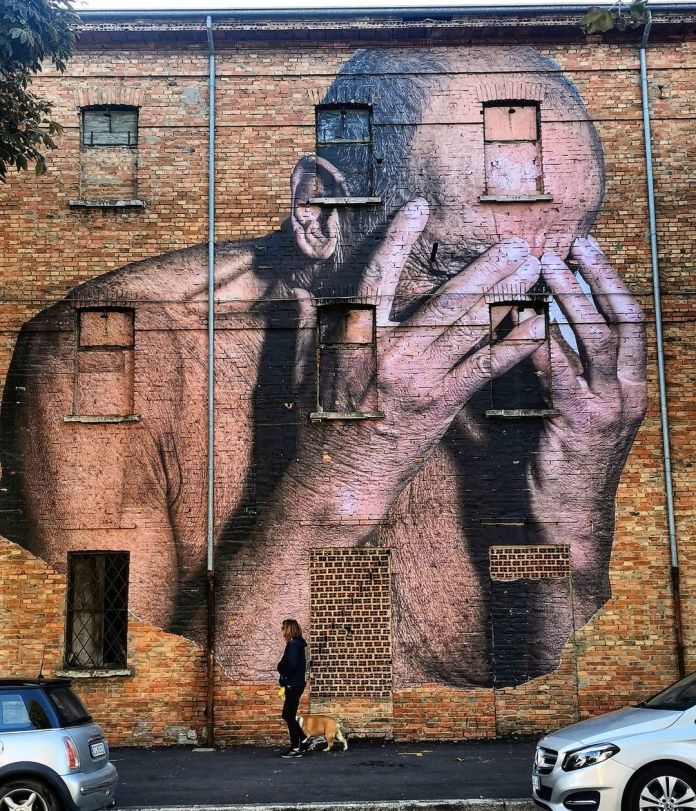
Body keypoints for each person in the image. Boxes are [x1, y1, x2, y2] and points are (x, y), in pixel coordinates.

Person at [0, 46, 646, 690]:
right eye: (466, 271)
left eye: (559, 266)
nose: (520, 319)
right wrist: (341, 481)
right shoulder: (116, 352)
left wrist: (572, 521)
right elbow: (111, 683)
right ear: (320, 211)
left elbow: (560, 686)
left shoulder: (562, 371)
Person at [277, 618, 308, 758]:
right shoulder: (296, 643)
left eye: (283, 628)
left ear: (289, 629)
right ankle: (304, 739)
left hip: (293, 684)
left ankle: (296, 748)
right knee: (288, 715)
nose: (282, 631)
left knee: (288, 715)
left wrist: (281, 669)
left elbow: (292, 665)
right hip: (296, 683)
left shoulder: (294, 644)